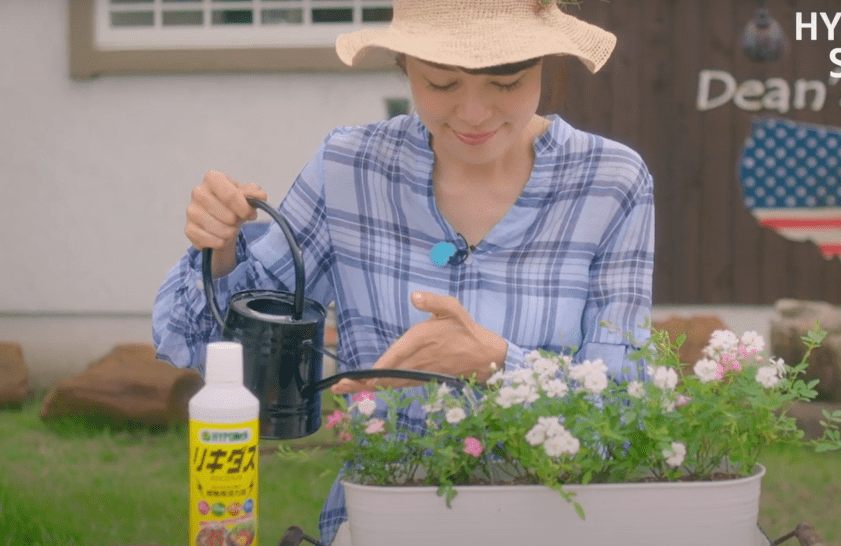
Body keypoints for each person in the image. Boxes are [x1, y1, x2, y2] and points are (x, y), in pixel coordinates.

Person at [153, 0, 654, 543]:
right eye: (441, 85)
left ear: (545, 64)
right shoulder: (350, 167)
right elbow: (225, 361)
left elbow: (623, 422)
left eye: (505, 83)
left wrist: (501, 363)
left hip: (554, 526)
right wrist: (221, 250)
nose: (473, 113)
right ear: (403, 63)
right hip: (382, 523)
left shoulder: (611, 182)